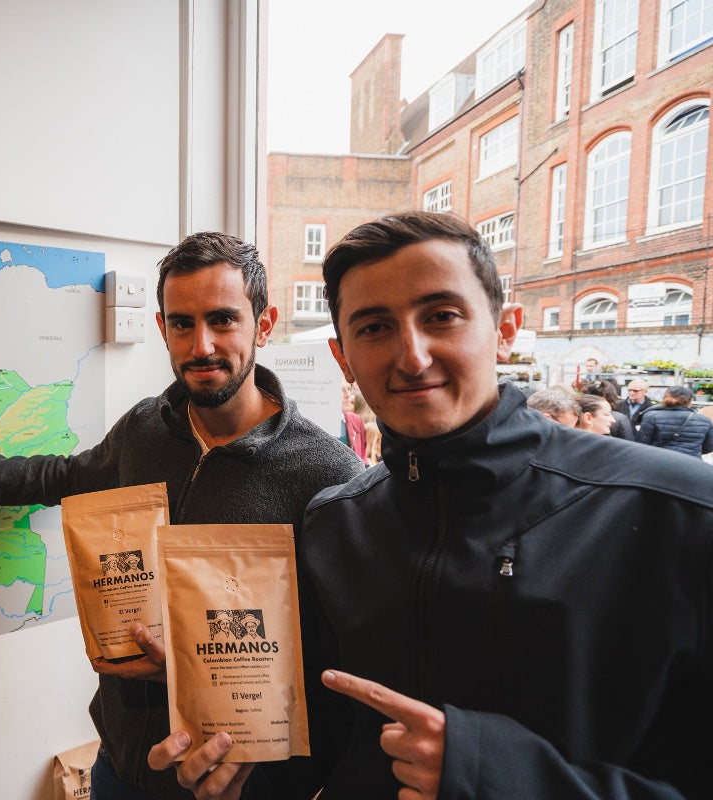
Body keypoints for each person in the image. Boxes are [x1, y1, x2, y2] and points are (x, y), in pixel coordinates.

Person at [149, 211, 713, 799]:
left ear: (505, 328)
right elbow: (324, 735)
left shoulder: (679, 514)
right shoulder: (338, 523)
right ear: (343, 357)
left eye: (441, 316)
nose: (412, 356)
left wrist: (494, 775)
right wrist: (245, 769)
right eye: (374, 328)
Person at [0, 231, 363, 800]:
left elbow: (340, 659)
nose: (202, 346)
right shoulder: (146, 427)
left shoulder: (328, 474)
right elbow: (72, 476)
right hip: (121, 761)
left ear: (263, 325)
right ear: (162, 328)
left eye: (223, 320)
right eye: (183, 324)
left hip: (232, 780)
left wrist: (198, 677)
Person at [635, 385, 713, 459]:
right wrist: (693, 450)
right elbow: (709, 447)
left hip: (659, 462)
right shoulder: (704, 420)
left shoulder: (651, 416)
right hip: (691, 463)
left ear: (664, 398)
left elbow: (641, 444)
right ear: (689, 401)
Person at [339, 382, 369, 465]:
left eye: (349, 389)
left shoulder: (355, 420)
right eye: (341, 390)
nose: (348, 395)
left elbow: (363, 458)